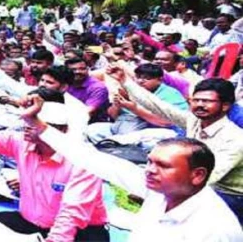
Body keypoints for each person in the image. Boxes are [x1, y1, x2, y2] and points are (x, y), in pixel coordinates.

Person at [23, 93, 243, 240]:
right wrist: (39, 126)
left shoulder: (215, 227)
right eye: (149, 162)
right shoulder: (162, 189)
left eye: (163, 166)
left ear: (197, 175)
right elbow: (94, 160)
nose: (150, 170)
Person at [0, 80, 109, 241]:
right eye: (27, 122)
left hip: (81, 231)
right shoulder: (20, 142)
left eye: (36, 123)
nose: (29, 128)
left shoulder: (83, 158)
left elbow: (71, 216)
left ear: (62, 129)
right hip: (31, 223)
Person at [112, 72, 243, 221]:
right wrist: (125, 81)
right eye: (196, 100)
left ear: (225, 106)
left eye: (206, 101)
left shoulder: (236, 139)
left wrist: (156, 191)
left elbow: (208, 178)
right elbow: (160, 107)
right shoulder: (194, 121)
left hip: (229, 194)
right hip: (201, 182)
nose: (200, 105)